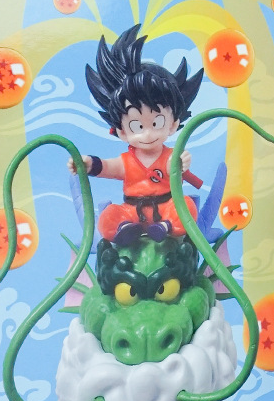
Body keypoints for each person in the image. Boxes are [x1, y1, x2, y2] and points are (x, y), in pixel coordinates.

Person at [68, 24, 203, 245]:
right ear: (122, 131)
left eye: (157, 123)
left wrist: (180, 163)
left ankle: (165, 227)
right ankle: (126, 228)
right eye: (137, 126)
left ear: (173, 124)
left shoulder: (170, 156)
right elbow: (107, 167)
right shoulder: (127, 161)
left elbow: (174, 167)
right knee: (108, 216)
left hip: (165, 207)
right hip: (132, 211)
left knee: (186, 207)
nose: (148, 134)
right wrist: (88, 164)